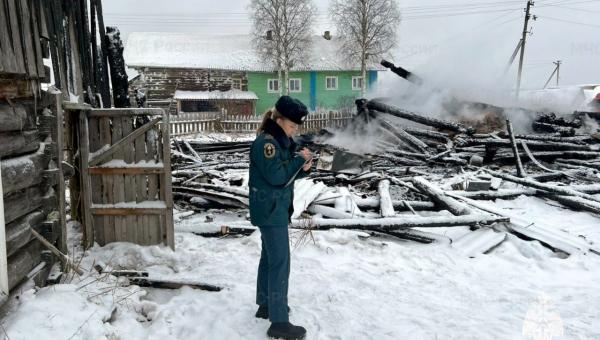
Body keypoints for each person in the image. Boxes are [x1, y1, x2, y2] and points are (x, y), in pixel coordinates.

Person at [249, 96, 313, 339]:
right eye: (291, 125)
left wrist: (303, 168)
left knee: (269, 258)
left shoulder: (278, 141)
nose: (294, 130)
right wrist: (298, 160)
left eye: (297, 127)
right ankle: (278, 322)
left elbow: (283, 175)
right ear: (278, 119)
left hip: (274, 208)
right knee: (280, 263)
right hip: (270, 210)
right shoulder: (266, 143)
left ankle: (266, 304)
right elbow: (277, 177)